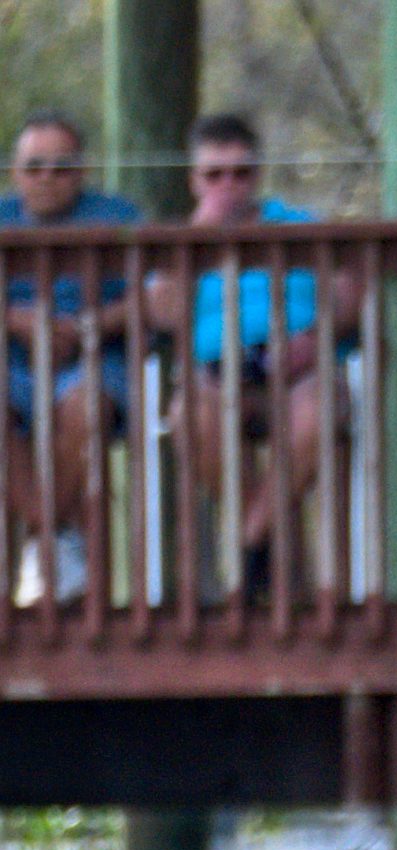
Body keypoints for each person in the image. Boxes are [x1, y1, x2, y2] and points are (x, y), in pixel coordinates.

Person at [139, 115, 355, 593]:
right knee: (190, 414)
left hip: (298, 373)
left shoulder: (300, 226)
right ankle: (268, 547)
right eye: (214, 175)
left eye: (241, 173)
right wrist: (198, 239)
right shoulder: (179, 242)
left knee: (320, 409)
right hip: (214, 378)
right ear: (194, 181)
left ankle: (251, 535)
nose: (228, 186)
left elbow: (348, 298)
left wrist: (313, 339)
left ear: (257, 176)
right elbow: (163, 315)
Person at [0, 114, 140, 604]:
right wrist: (17, 321)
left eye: (60, 168)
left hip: (96, 362)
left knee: (85, 409)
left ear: (82, 172)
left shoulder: (120, 218)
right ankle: (57, 537)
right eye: (34, 167)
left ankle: (44, 541)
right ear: (15, 172)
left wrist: (90, 327)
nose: (46, 178)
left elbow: (157, 296)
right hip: (12, 367)